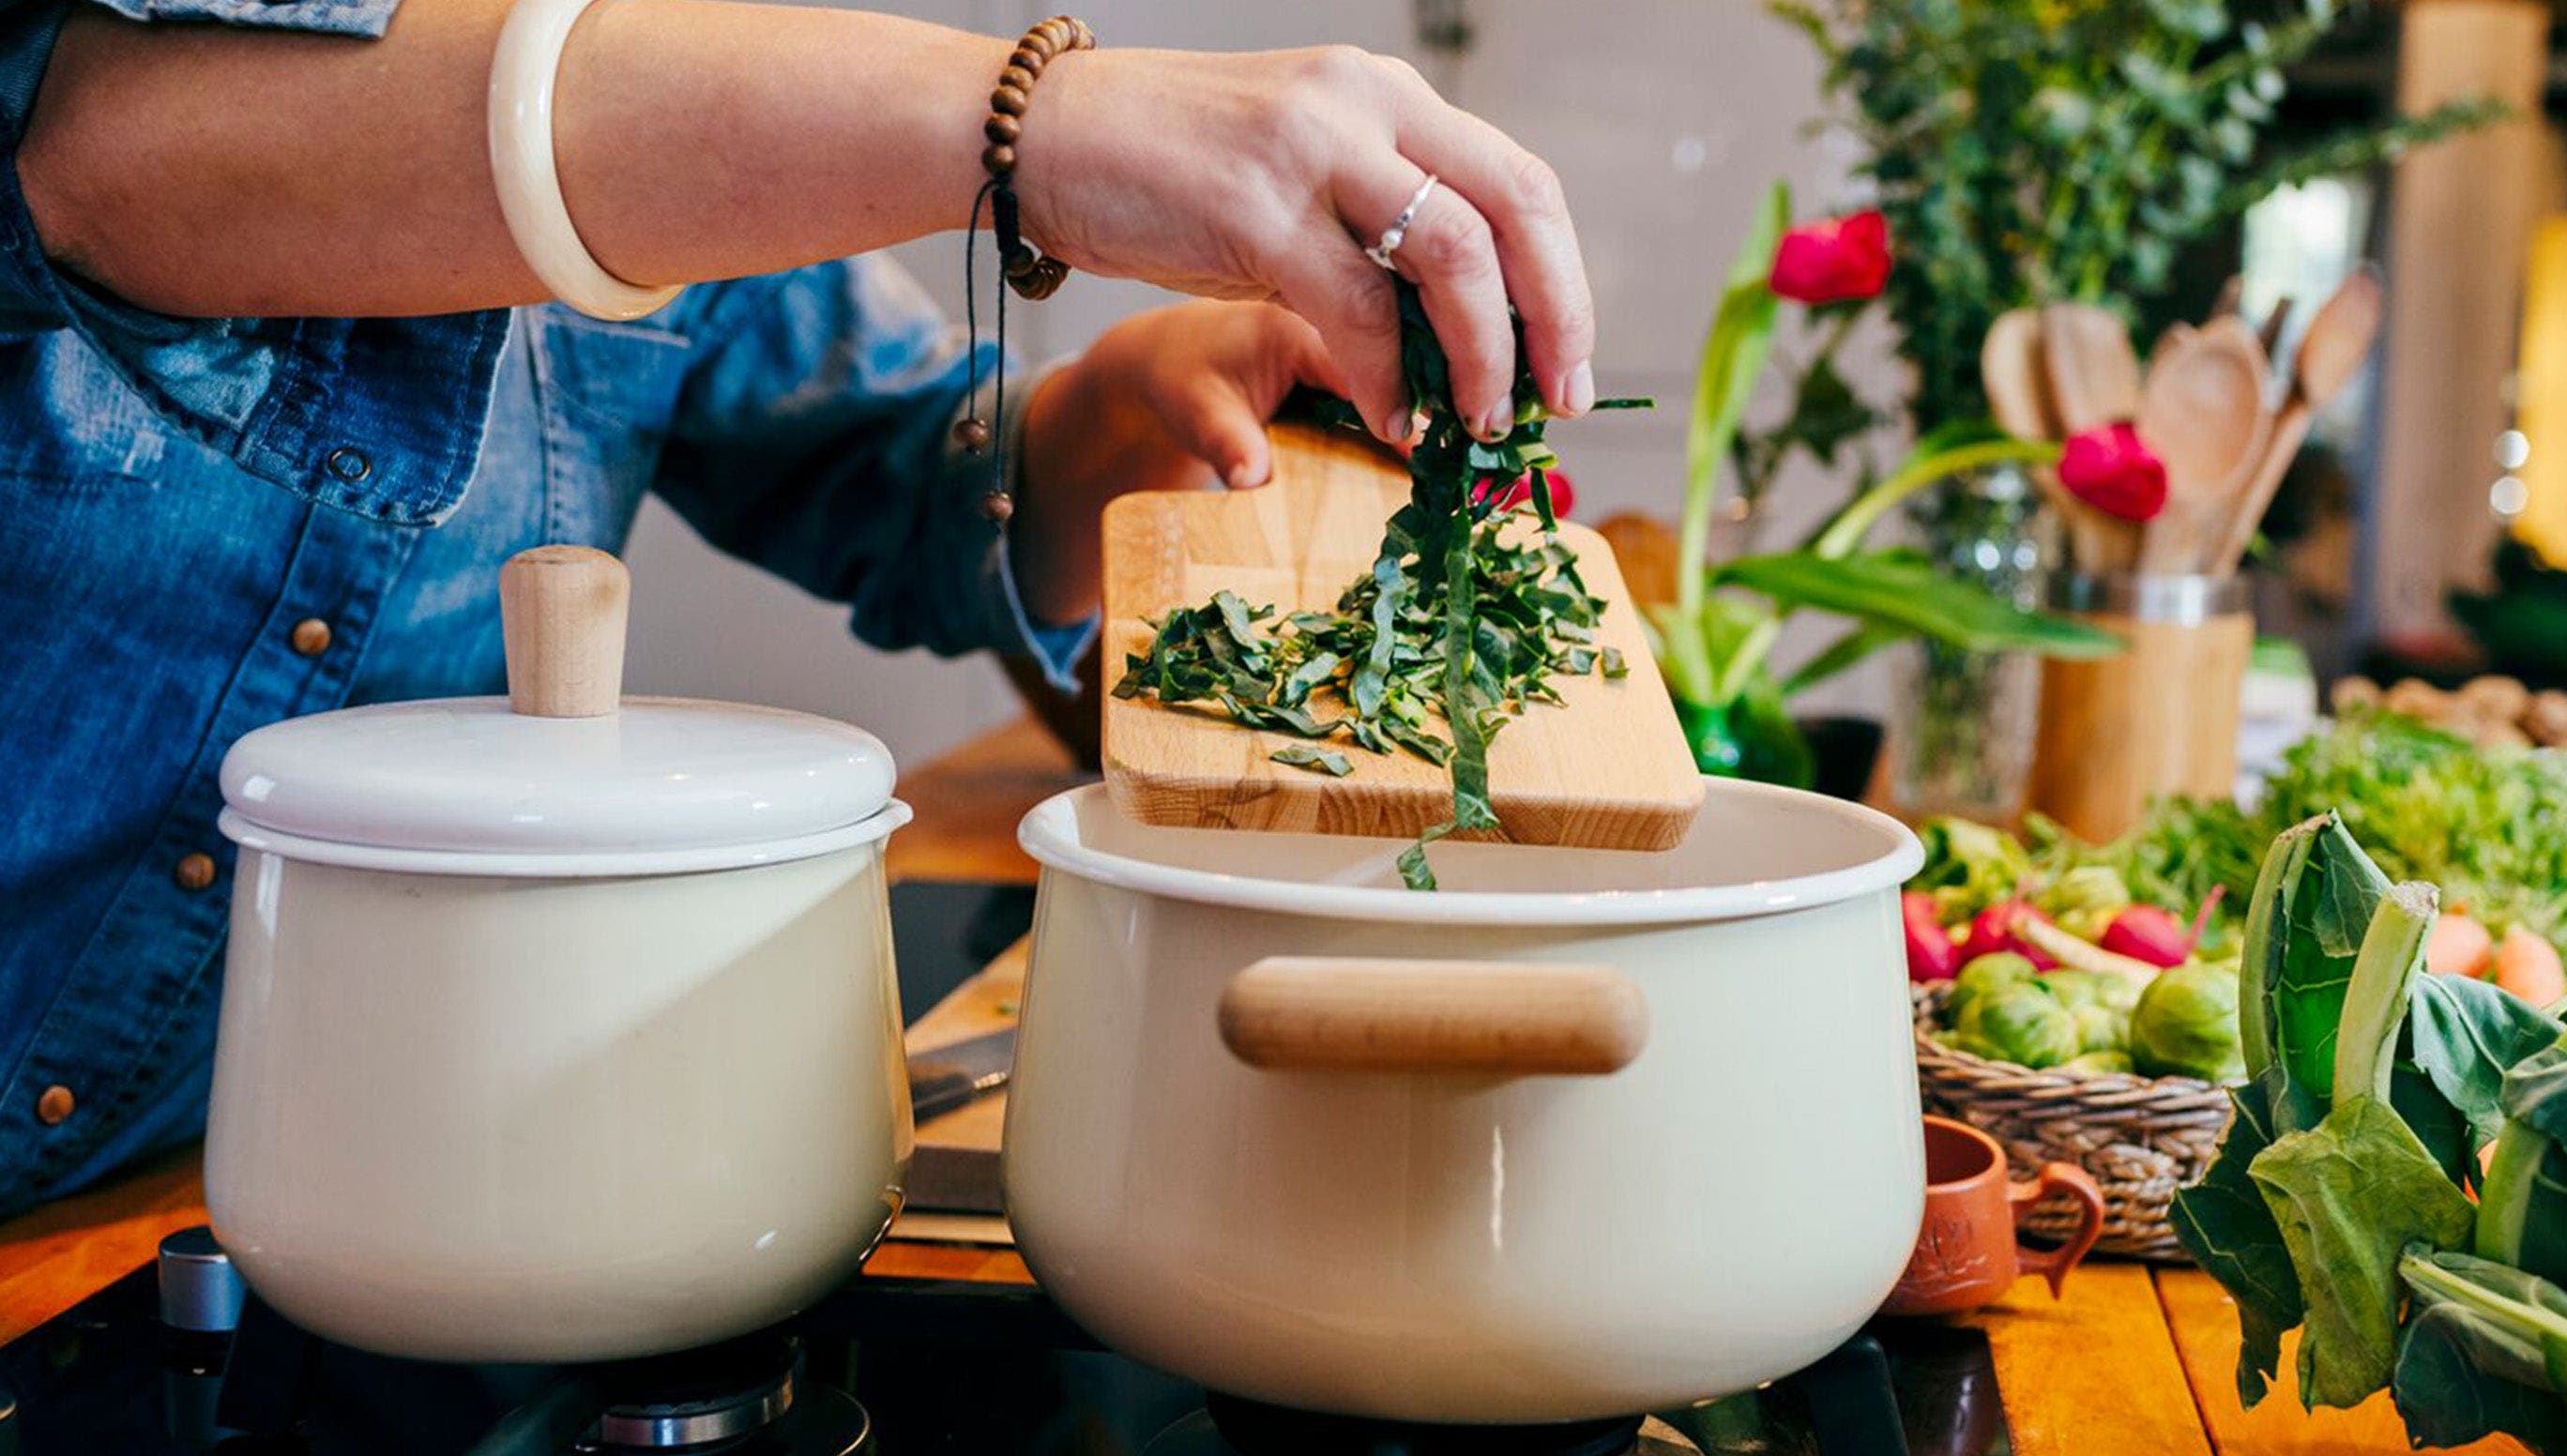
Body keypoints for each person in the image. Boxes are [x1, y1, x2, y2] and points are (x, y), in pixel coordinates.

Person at [0, 0, 1597, 1218]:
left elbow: (910, 483)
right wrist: (1051, 120)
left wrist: (1125, 405)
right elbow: (95, 163)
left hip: (307, 1184)